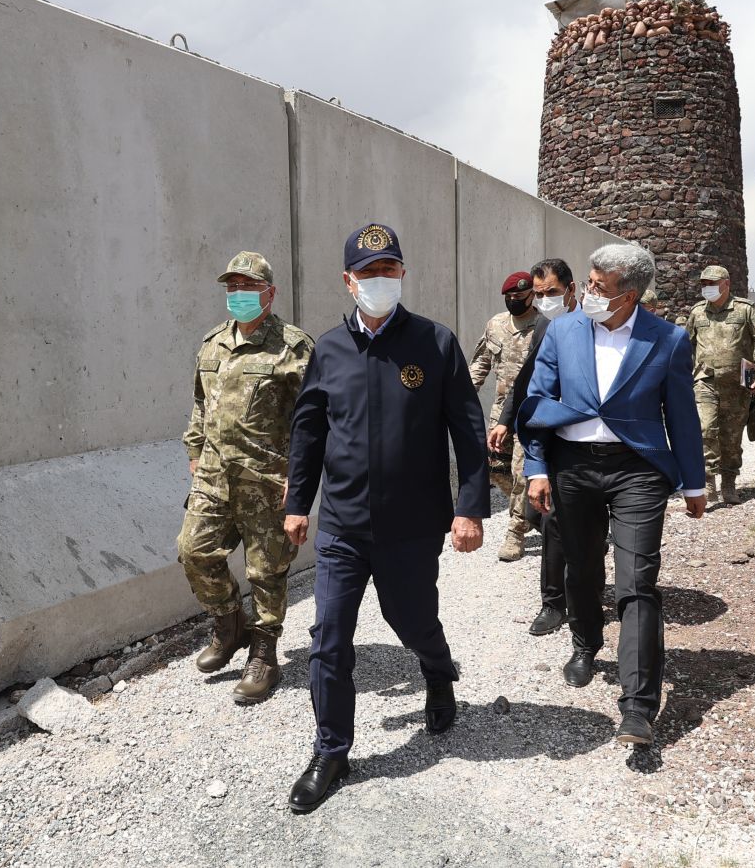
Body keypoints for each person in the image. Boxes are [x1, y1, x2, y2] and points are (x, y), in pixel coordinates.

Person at [282, 223, 489, 812]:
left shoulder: (435, 342)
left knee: (412, 622)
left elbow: (469, 435)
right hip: (344, 527)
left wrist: (470, 508)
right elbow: (309, 433)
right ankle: (331, 751)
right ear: (349, 281)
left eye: (389, 270)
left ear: (403, 274)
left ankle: (437, 669)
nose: (380, 281)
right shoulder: (327, 350)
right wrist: (299, 504)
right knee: (328, 638)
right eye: (368, 273)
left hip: (412, 525)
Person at [520, 242, 706, 747]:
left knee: (638, 581)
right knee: (581, 567)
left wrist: (694, 482)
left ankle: (638, 706)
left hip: (637, 471)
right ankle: (585, 643)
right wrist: (536, 468)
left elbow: (682, 416)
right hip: (573, 468)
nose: (591, 292)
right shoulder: (561, 331)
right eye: (590, 281)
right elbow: (536, 403)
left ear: (630, 295)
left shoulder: (667, 340)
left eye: (600, 286)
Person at [177, 251, 314, 703]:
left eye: (248, 287)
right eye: (232, 288)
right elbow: (201, 402)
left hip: (267, 480)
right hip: (214, 477)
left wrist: (300, 478)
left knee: (267, 570)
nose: (239, 296)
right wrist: (195, 451)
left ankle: (264, 654)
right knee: (193, 551)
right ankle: (229, 623)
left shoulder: (293, 348)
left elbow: (313, 419)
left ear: (270, 294)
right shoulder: (212, 342)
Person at [489, 258, 580, 637]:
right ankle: (552, 603)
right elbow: (527, 376)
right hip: (548, 431)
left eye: (551, 294)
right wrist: (505, 420)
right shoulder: (545, 324)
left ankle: (584, 594)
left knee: (577, 521)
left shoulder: (593, 323)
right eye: (539, 295)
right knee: (547, 514)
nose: (543, 301)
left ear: (571, 291)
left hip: (588, 436)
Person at [685, 264, 755, 508]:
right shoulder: (697, 313)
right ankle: (708, 480)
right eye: (703, 284)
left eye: (712, 283)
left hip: (738, 384)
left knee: (731, 436)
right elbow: (686, 346)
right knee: (705, 429)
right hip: (705, 381)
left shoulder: (747, 310)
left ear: (726, 283)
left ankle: (729, 481)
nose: (707, 288)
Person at [469, 271, 538, 561]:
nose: (513, 302)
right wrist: (462, 395)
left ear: (531, 295)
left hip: (531, 413)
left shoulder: (544, 326)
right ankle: (535, 513)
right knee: (497, 470)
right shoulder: (496, 325)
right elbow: (481, 363)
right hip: (500, 415)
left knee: (521, 473)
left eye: (519, 297)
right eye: (509, 298)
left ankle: (515, 532)